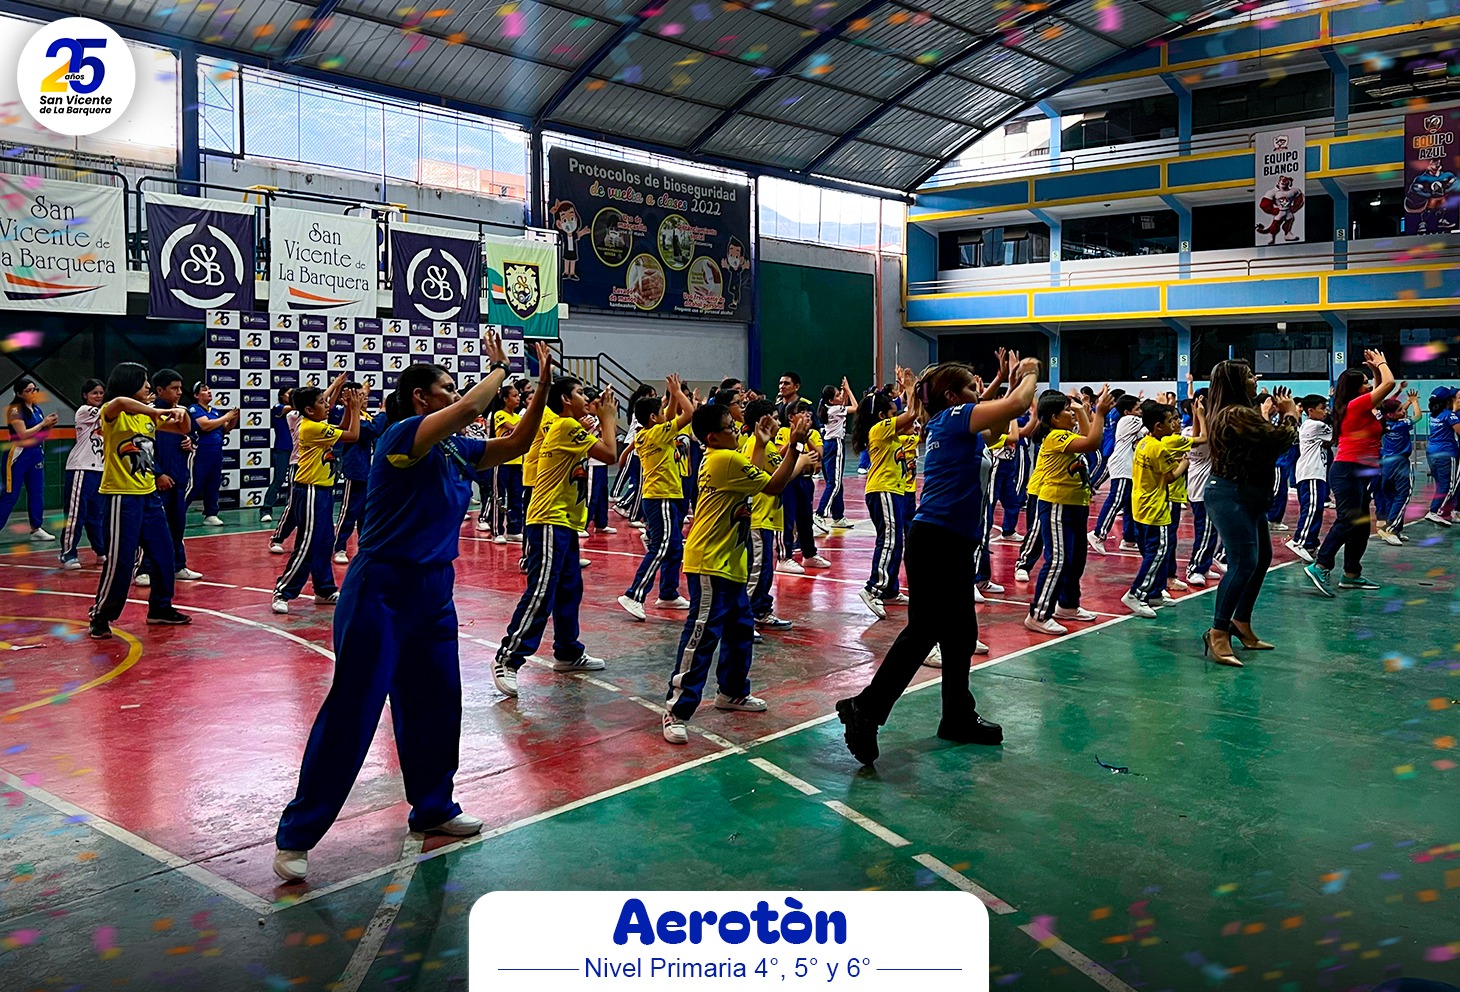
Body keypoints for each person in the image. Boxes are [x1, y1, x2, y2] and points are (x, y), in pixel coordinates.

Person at [272, 338, 551, 883]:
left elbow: (517, 442)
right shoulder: (402, 436)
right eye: (446, 387)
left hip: (435, 591)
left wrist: (540, 384)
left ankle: (434, 807)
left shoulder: (455, 450)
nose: (456, 395)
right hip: (381, 588)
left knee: (437, 703)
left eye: (456, 387)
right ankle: (297, 834)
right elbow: (470, 408)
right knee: (354, 708)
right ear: (421, 397)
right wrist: (498, 368)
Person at [835, 358, 1041, 766]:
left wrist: (1006, 381)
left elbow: (1001, 423)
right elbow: (1016, 406)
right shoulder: (954, 418)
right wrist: (1031, 372)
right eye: (971, 387)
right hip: (937, 540)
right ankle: (865, 708)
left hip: (953, 541)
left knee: (961, 634)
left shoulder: (955, 423)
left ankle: (957, 716)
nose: (977, 393)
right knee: (923, 631)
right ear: (952, 396)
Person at [661, 404, 817, 744]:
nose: (736, 431)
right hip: (710, 562)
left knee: (740, 630)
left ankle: (731, 692)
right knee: (702, 637)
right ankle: (676, 709)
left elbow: (752, 481)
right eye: (730, 428)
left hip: (730, 563)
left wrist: (760, 443)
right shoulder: (724, 459)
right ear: (713, 437)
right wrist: (796, 447)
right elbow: (773, 486)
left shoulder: (726, 459)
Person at [492, 377, 618, 698]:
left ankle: (567, 651)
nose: (586, 398)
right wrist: (608, 418)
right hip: (549, 519)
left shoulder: (569, 427)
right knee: (541, 591)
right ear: (565, 399)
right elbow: (609, 454)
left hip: (563, 521)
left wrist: (594, 422)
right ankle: (508, 657)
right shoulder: (565, 426)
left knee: (569, 589)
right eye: (580, 393)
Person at [1201, 361, 1300, 666]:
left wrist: (1273, 416)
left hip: (1248, 496)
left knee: (1261, 559)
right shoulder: (1234, 413)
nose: (1255, 379)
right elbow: (1277, 441)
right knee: (1244, 563)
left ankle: (1241, 622)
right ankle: (1218, 631)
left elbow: (1261, 443)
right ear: (1235, 382)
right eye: (1248, 375)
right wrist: (1290, 415)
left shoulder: (1239, 412)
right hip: (1232, 495)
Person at [88, 363, 193, 640]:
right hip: (121, 496)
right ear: (128, 383)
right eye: (143, 381)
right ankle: (101, 614)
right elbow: (120, 402)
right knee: (121, 561)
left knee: (164, 553)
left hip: (149, 495)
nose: (148, 387)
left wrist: (181, 413)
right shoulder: (112, 413)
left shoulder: (147, 418)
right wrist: (156, 411)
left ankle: (160, 607)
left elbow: (183, 427)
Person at [1306, 350, 1397, 597]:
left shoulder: (1361, 405)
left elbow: (1379, 389)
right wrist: (1382, 363)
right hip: (1347, 470)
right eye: (1365, 383)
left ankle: (1351, 574)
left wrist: (1375, 371)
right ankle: (1321, 565)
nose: (1369, 386)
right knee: (1348, 519)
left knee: (1361, 525)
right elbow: (1389, 385)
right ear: (1356, 389)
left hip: (1359, 471)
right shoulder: (1356, 405)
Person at [1024, 386, 1112, 635]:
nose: (1070, 413)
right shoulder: (1055, 437)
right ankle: (1038, 615)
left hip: (1076, 504)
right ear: (1054, 418)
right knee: (1058, 560)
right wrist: (1100, 413)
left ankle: (1068, 605)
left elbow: (1086, 435)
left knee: (1076, 560)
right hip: (1057, 503)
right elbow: (1092, 442)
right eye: (1066, 410)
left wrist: (1080, 410)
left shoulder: (1066, 433)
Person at [271, 374, 361, 614]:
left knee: (324, 542)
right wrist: (354, 408)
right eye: (322, 402)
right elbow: (353, 435)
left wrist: (349, 409)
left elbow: (342, 430)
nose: (327, 405)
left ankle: (323, 589)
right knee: (308, 542)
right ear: (309, 410)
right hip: (310, 489)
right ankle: (283, 590)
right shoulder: (310, 427)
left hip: (322, 490)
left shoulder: (319, 425)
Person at [618, 376, 694, 621]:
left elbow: (669, 415)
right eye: (660, 411)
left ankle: (668, 593)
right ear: (653, 417)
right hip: (660, 497)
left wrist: (671, 396)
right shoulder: (658, 434)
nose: (666, 414)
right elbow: (689, 413)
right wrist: (678, 393)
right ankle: (634, 594)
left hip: (663, 497)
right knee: (661, 546)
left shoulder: (645, 433)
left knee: (674, 547)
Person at [852, 372, 916, 620]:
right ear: (882, 416)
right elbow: (911, 414)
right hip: (883, 490)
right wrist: (910, 388)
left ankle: (889, 590)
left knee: (896, 541)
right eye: (893, 413)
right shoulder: (879, 429)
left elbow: (915, 419)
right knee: (889, 540)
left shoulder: (893, 435)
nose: (897, 417)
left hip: (894, 491)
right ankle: (873, 589)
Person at [1121, 404, 1187, 618]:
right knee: (1158, 552)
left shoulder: (1143, 443)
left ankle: (1154, 592)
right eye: (1170, 421)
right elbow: (1169, 477)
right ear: (1158, 426)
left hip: (1141, 504)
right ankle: (1136, 593)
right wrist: (1185, 463)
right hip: (1155, 508)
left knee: (1155, 551)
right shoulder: (1159, 448)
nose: (1174, 424)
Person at [137, 370, 199, 586]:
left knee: (177, 525)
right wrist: (158, 473)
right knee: (154, 527)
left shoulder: (182, 413)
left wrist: (190, 443)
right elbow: (141, 448)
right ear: (160, 390)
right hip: (157, 481)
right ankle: (143, 568)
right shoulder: (149, 413)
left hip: (179, 478)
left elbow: (194, 434)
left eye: (180, 388)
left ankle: (178, 565)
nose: (179, 392)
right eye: (174, 388)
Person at [739, 397, 796, 632]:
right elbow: (779, 478)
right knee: (757, 569)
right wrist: (799, 457)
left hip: (767, 516)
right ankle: (744, 619)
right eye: (774, 417)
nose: (778, 422)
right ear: (764, 421)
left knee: (764, 569)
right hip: (759, 517)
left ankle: (760, 610)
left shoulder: (762, 444)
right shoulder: (761, 445)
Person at [774, 373, 825, 570]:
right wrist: (794, 438)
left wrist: (806, 437)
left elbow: (819, 454)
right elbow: (778, 453)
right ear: (791, 417)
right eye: (802, 414)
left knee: (805, 518)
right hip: (788, 479)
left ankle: (809, 554)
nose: (807, 417)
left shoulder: (814, 434)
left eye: (808, 414)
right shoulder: (783, 432)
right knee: (787, 518)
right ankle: (784, 557)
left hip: (805, 479)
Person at [2, 378, 59, 541]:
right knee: (10, 494)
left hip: (35, 453)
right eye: (29, 390)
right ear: (19, 393)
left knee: (36, 491)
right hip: (18, 454)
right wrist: (43, 424)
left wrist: (48, 427)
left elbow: (40, 435)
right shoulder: (14, 410)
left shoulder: (36, 410)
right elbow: (23, 434)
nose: (33, 393)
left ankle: (36, 528)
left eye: (35, 389)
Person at [60, 379, 107, 569]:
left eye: (101, 393)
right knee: (76, 514)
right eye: (94, 393)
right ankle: (68, 554)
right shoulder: (85, 411)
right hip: (81, 468)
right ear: (85, 395)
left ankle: (101, 551)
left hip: (99, 470)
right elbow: (110, 412)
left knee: (96, 514)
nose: (98, 396)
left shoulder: (106, 414)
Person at [334, 383, 382, 563]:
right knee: (349, 511)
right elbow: (372, 429)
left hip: (369, 470)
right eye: (360, 395)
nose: (365, 398)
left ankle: (365, 545)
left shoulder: (365, 415)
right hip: (356, 470)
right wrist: (384, 412)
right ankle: (339, 547)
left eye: (364, 395)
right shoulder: (348, 415)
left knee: (366, 512)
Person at [1089, 393, 1142, 553]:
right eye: (1138, 408)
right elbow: (1152, 420)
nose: (1140, 411)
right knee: (1116, 500)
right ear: (1127, 412)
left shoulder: (1134, 422)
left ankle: (1129, 539)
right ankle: (1097, 534)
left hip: (1130, 467)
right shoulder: (1128, 420)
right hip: (1122, 466)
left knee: (1130, 505)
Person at [185, 383, 239, 526]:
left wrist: (233, 417)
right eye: (204, 390)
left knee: (213, 484)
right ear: (196, 395)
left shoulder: (215, 411)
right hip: (200, 453)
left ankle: (211, 514)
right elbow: (205, 425)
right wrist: (226, 416)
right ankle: (178, 511)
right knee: (194, 485)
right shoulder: (194, 409)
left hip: (216, 453)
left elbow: (226, 429)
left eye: (209, 389)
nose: (209, 392)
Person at [1183, 391, 1221, 587]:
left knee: (1211, 531)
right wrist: (1198, 415)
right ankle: (1195, 568)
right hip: (1199, 489)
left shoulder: (1210, 430)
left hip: (1209, 488)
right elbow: (1201, 438)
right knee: (1205, 531)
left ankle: (1204, 565)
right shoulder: (1188, 434)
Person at [1375, 388, 1421, 545]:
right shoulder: (1402, 425)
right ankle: (1391, 529)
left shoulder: (1384, 423)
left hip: (1386, 463)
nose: (1404, 411)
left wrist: (1407, 402)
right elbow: (1418, 416)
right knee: (1403, 495)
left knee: (1391, 496)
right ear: (1391, 414)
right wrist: (1414, 402)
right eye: (1401, 409)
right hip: (1400, 463)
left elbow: (1395, 412)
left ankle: (1395, 528)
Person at [483, 380, 526, 543]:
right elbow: (516, 429)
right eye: (514, 396)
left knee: (516, 497)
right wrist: (528, 417)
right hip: (501, 462)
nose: (518, 398)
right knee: (499, 497)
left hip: (517, 462)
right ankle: (497, 531)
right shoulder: (499, 414)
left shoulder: (517, 416)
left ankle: (514, 529)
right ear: (505, 399)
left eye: (518, 395)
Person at [813, 378, 855, 530]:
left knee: (836, 481)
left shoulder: (827, 407)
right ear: (831, 400)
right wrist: (848, 390)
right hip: (835, 445)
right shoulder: (835, 409)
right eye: (837, 395)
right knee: (834, 483)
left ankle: (838, 516)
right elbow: (855, 407)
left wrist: (843, 391)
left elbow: (843, 402)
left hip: (827, 444)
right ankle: (820, 514)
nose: (840, 397)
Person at [1423, 386, 1459, 526]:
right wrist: (1454, 411)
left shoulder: (1434, 415)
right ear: (1448, 400)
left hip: (1432, 452)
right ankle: (1434, 511)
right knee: (1449, 485)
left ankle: (1447, 513)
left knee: (1441, 484)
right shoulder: (1449, 415)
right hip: (1446, 453)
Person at [260, 386, 293, 525]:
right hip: (282, 449)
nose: (292, 395)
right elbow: (288, 409)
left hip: (297, 449)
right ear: (281, 396)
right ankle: (266, 509)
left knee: (295, 482)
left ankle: (293, 510)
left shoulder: (299, 411)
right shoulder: (278, 407)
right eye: (289, 393)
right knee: (279, 479)